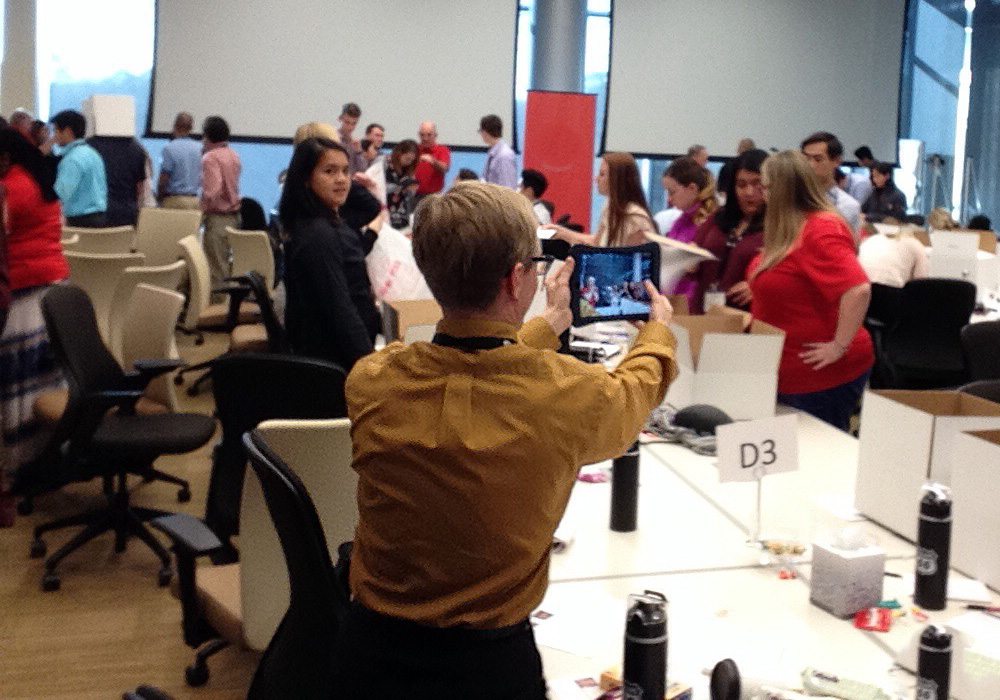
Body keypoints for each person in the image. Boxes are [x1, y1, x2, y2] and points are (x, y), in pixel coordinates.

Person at [334, 180, 678, 697]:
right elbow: (633, 392)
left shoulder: (372, 379)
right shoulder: (566, 394)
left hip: (369, 654)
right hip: (488, 666)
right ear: (517, 278)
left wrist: (548, 324)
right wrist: (657, 331)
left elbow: (471, 377)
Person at [748, 150, 873, 432]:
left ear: (780, 189)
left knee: (816, 459)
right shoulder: (789, 227)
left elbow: (859, 290)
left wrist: (839, 346)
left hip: (818, 375)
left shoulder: (821, 229)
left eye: (765, 187)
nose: (761, 194)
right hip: (787, 369)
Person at [0, 129, 68, 520]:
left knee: (18, 388)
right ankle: (42, 460)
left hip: (22, 294)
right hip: (50, 290)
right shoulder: (38, 178)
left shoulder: (12, 189)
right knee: (42, 382)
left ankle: (18, 466)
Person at [279, 137, 379, 372]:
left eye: (345, 171)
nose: (342, 180)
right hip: (336, 362)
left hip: (339, 353)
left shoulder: (324, 221)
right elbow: (339, 307)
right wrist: (371, 368)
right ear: (306, 178)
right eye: (329, 171)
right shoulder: (318, 234)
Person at [692, 148, 768, 313]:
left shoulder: (779, 227)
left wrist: (759, 287)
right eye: (741, 185)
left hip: (746, 318)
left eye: (758, 184)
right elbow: (694, 252)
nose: (749, 192)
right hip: (703, 312)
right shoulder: (718, 217)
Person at [542, 152, 656, 247]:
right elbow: (597, 243)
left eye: (602, 174)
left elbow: (625, 259)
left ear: (617, 179)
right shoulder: (610, 207)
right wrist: (560, 232)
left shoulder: (634, 217)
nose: (596, 179)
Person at [660, 156, 718, 305]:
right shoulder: (680, 221)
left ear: (692, 189)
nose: (669, 199)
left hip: (690, 304)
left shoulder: (708, 224)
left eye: (672, 192)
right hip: (675, 300)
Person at [200, 115, 241, 298]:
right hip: (234, 216)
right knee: (225, 264)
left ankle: (216, 313)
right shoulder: (233, 155)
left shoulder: (210, 158)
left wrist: (202, 208)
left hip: (217, 218)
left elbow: (213, 189)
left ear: (208, 136)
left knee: (215, 268)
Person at [50, 109, 108, 227]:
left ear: (67, 132)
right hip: (100, 217)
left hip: (80, 222)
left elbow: (60, 194)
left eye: (56, 130)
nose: (54, 136)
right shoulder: (93, 153)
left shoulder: (72, 159)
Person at [800, 131, 861, 241]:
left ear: (837, 161)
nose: (810, 165)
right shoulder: (793, 199)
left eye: (818, 159)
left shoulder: (848, 206)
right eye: (806, 159)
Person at [87, 133, 148, 226]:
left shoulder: (87, 147)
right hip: (127, 215)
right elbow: (140, 187)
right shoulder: (137, 148)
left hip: (93, 214)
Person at [157, 112, 202, 209]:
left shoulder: (169, 148)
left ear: (174, 126)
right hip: (195, 201)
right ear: (191, 128)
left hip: (174, 201)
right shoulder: (200, 148)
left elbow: (164, 177)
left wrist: (159, 198)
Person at [857, 227, 928, 287]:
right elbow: (920, 282)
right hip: (890, 292)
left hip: (860, 288)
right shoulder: (916, 244)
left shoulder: (870, 240)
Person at [385, 139, 419, 229]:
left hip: (402, 212)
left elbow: (411, 193)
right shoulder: (385, 163)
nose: (409, 162)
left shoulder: (409, 170)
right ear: (399, 154)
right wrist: (399, 187)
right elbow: (378, 187)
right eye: (407, 159)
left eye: (412, 160)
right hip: (386, 210)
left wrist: (411, 190)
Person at [479, 114, 517, 188]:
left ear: (485, 132)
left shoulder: (504, 156)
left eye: (481, 131)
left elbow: (508, 186)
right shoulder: (493, 153)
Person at [414, 121, 450, 197]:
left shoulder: (442, 150)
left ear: (435, 135)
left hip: (434, 196)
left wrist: (432, 161)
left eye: (429, 135)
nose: (425, 138)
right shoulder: (414, 149)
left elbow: (445, 168)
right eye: (422, 135)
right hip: (414, 196)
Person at [339, 102, 367, 174]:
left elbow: (363, 169)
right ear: (340, 119)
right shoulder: (332, 138)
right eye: (347, 122)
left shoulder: (355, 143)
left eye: (354, 123)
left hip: (350, 182)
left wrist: (359, 152)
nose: (350, 127)